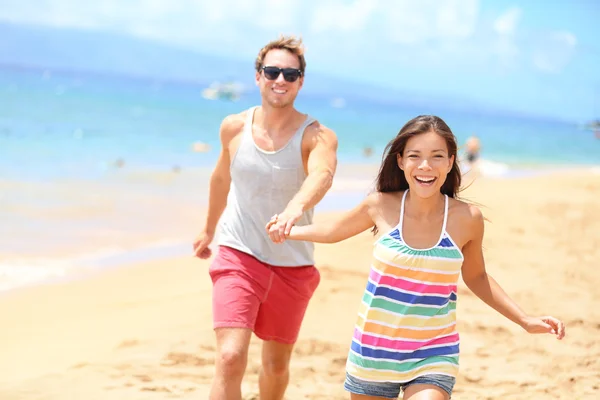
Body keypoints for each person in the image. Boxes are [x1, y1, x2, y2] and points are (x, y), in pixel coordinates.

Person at [267, 115, 565, 400]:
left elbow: (476, 276)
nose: (425, 166)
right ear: (400, 160)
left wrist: (525, 320)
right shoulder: (380, 205)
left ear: (450, 162)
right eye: (415, 156)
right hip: (373, 351)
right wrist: (288, 230)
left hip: (433, 352)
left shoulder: (467, 218)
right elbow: (334, 230)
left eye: (437, 156)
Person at [193, 35, 338, 400]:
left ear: (301, 82)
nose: (280, 80)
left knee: (275, 367)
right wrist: (209, 229)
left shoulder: (317, 136)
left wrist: (293, 211)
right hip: (238, 252)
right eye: (272, 71)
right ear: (257, 76)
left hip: (292, 267)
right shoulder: (234, 128)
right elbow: (221, 178)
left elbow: (322, 175)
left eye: (290, 74)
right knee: (229, 357)